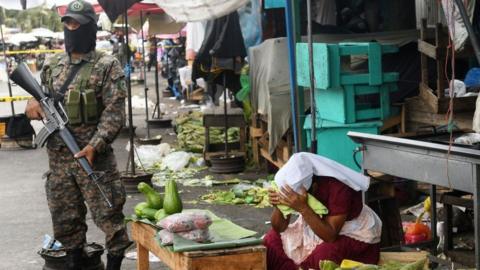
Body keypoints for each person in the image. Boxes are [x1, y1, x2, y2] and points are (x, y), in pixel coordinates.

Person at [24, 1, 132, 269]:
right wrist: (32, 106)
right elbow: (38, 101)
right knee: (66, 223)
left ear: (90, 28)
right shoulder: (52, 64)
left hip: (94, 161)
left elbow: (114, 113)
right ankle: (74, 263)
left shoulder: (108, 65)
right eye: (68, 23)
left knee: (111, 220)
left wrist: (95, 145)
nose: (72, 28)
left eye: (77, 24)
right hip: (59, 163)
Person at [264, 152, 382, 270]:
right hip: (314, 223)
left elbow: (330, 236)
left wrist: (304, 209)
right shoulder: (297, 190)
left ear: (313, 188)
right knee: (270, 242)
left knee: (322, 259)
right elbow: (279, 228)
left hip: (349, 231)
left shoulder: (339, 188)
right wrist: (278, 206)